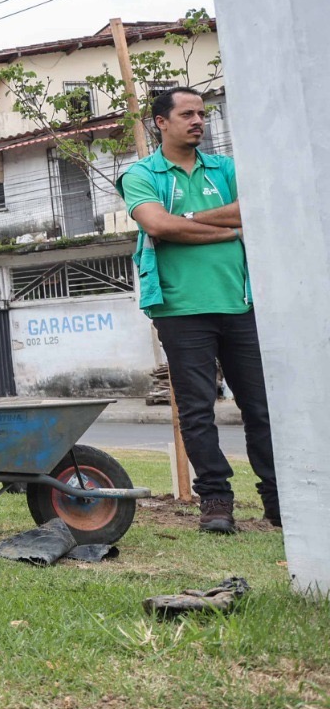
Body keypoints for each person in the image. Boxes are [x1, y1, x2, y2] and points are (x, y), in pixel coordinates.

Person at [117, 86, 277, 534]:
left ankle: (278, 500)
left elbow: (254, 209)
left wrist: (186, 224)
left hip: (240, 302)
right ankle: (216, 502)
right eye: (187, 114)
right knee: (197, 409)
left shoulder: (224, 169)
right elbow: (155, 224)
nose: (198, 121)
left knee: (261, 407)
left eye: (202, 114)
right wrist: (228, 229)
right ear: (160, 123)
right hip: (179, 307)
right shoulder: (142, 174)